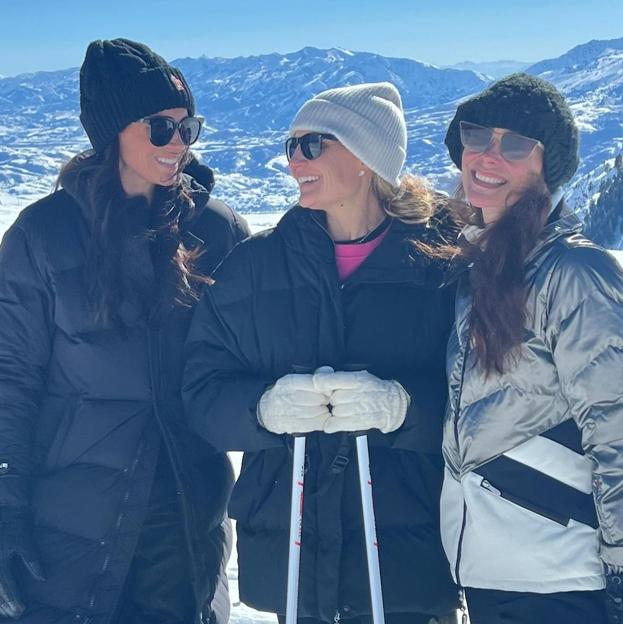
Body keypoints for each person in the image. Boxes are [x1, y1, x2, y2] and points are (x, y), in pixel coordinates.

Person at [183, 82, 460, 623]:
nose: (294, 162)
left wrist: (405, 410)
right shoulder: (255, 268)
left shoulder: (441, 266)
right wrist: (260, 411)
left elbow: (488, 399)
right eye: (290, 147)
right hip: (296, 559)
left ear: (366, 157)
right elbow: (200, 389)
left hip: (407, 558)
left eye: (313, 145)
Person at [0, 38, 249, 624]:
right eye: (160, 128)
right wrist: (5, 510)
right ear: (112, 130)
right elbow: (10, 382)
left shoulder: (216, 230)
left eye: (189, 126)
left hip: (183, 520)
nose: (179, 144)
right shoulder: (44, 234)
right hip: (65, 522)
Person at [440, 73, 623, 624]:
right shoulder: (480, 267)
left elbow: (615, 419)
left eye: (516, 144)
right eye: (477, 136)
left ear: (549, 167)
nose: (489, 155)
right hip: (492, 569)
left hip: (561, 575)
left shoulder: (573, 272)